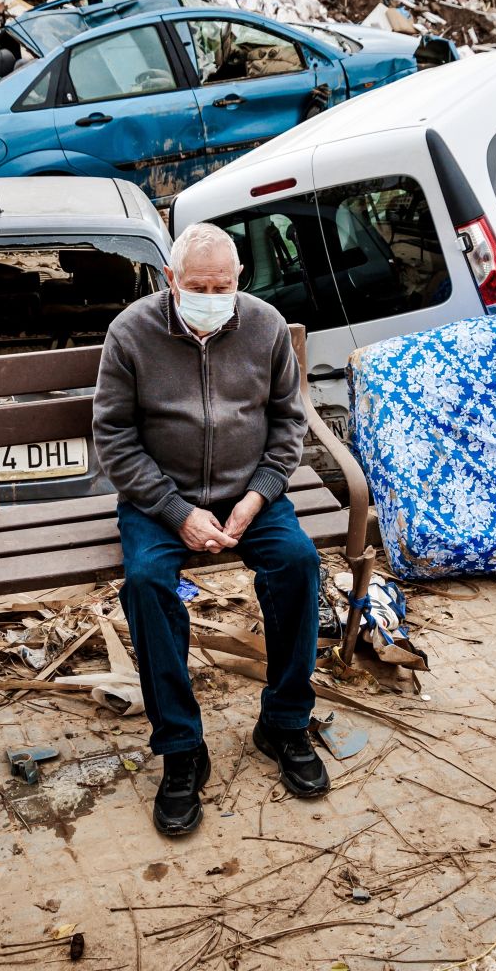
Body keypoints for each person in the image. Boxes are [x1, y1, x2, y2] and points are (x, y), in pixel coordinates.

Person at [92, 221, 329, 836]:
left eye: (221, 285)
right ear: (170, 279)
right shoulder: (131, 333)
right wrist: (178, 514)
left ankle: (284, 722)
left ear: (238, 281)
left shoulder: (266, 326)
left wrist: (256, 500)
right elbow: (114, 439)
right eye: (196, 284)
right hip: (159, 501)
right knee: (146, 582)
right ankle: (180, 748)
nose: (209, 295)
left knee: (299, 564)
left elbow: (287, 425)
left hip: (249, 494)